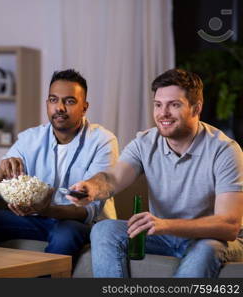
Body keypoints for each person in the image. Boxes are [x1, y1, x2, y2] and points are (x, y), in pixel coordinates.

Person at [67, 68, 243, 277]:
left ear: (196, 108)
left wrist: (165, 225)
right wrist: (91, 187)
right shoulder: (145, 142)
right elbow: (113, 178)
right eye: (158, 105)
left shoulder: (224, 150)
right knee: (104, 230)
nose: (163, 113)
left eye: (174, 105)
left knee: (206, 248)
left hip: (212, 239)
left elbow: (228, 225)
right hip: (164, 235)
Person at [0, 69, 118, 260]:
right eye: (53, 100)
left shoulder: (102, 141)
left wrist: (45, 209)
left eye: (69, 101)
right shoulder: (31, 138)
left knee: (65, 235)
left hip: (82, 223)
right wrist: (1, 170)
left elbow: (87, 211)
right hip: (37, 219)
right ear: (47, 104)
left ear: (84, 108)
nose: (59, 107)